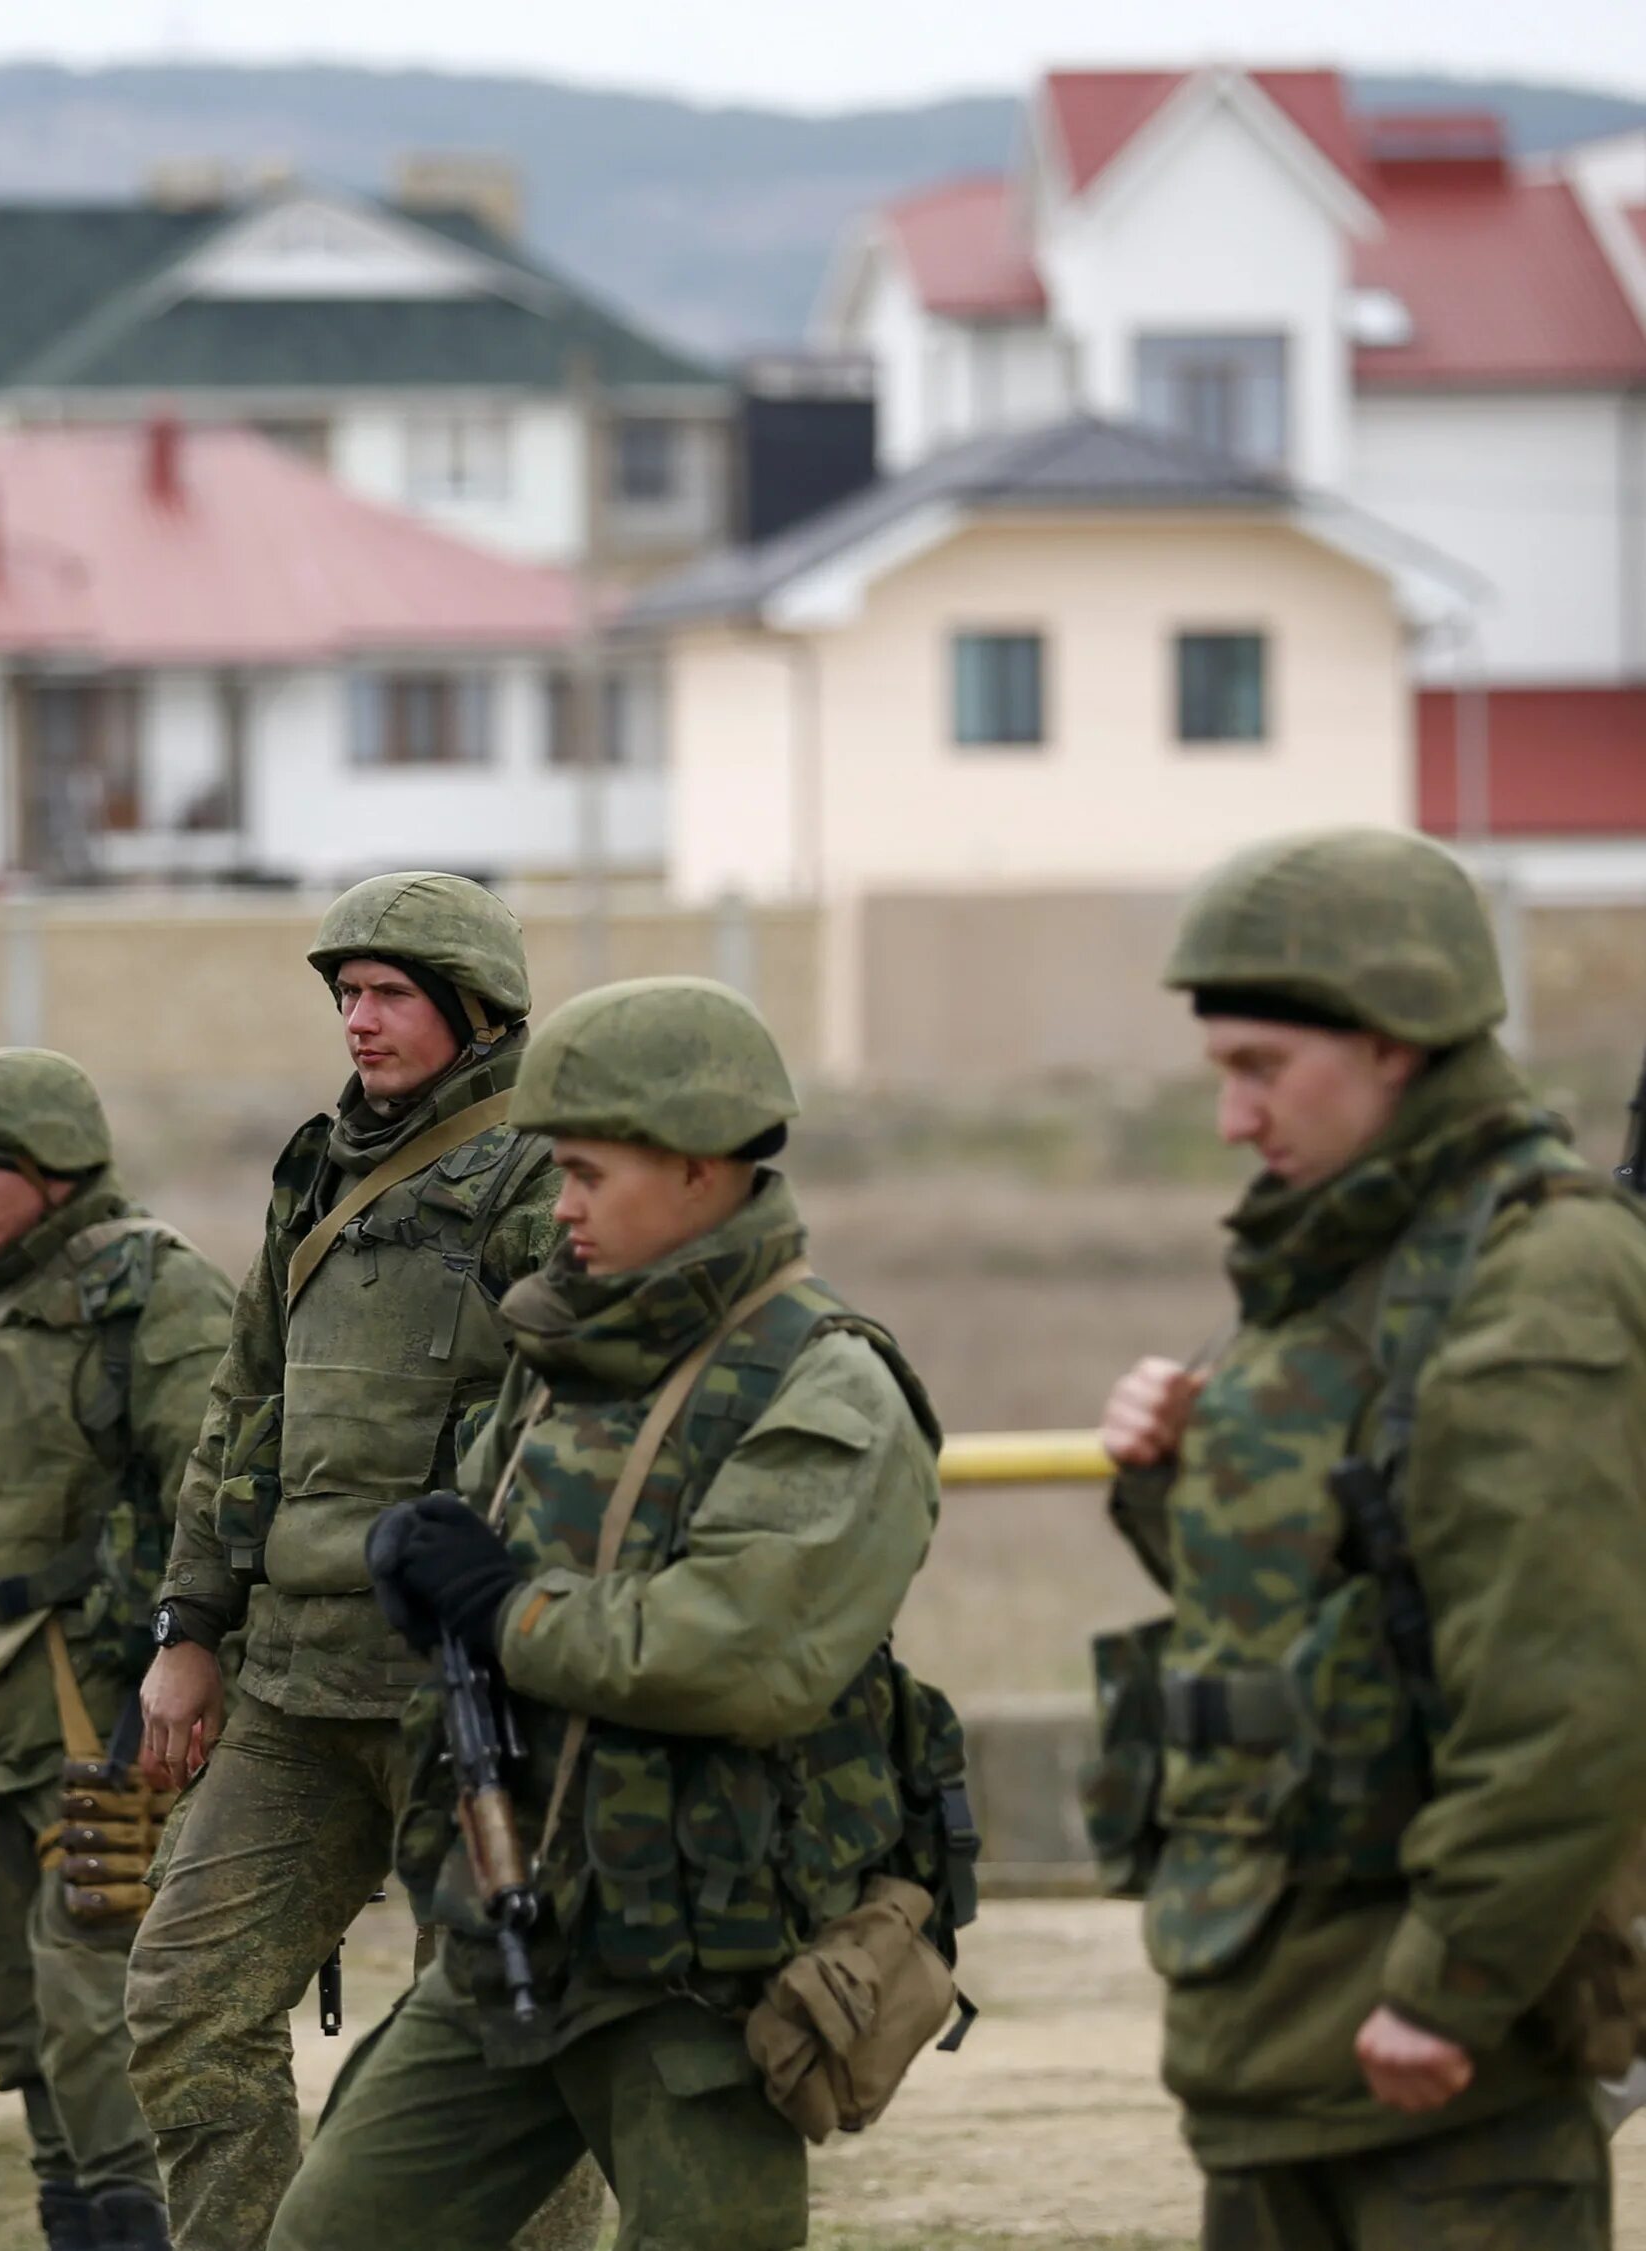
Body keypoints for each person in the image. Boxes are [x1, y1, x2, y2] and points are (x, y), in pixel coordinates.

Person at [265, 975, 960, 2251]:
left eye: (588, 1173)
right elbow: (479, 1554)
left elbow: (739, 1653)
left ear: (702, 1171)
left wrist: (502, 1607)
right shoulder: (567, 1359)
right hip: (508, 1916)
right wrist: (423, 1563)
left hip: (696, 1967)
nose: (562, 1207)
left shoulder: (828, 1385)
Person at [1090, 828, 1646, 2251]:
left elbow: (1563, 1694)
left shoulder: (1538, 1279)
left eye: (1261, 1067)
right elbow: (1319, 1615)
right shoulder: (1338, 1261)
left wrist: (1453, 1980)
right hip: (1276, 2029)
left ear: (1395, 1040)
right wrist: (1172, 1476)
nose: (1230, 1116)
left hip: (1431, 2068)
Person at [123, 872, 566, 2251]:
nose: (358, 1021)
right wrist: (190, 1623)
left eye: (388, 993)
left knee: (507, 2032)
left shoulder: (543, 1170)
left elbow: (572, 1412)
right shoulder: (318, 1165)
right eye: (345, 994)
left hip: (463, 1681)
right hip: (295, 1680)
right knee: (186, 1998)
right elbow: (245, 1403)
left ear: (472, 1007)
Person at [0, 1049, 237, 2251]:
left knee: (95, 1987)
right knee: (18, 2010)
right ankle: (71, 2223)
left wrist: (179, 1659)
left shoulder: (157, 1290)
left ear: (50, 1167)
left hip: (102, 1690)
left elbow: (216, 1485)